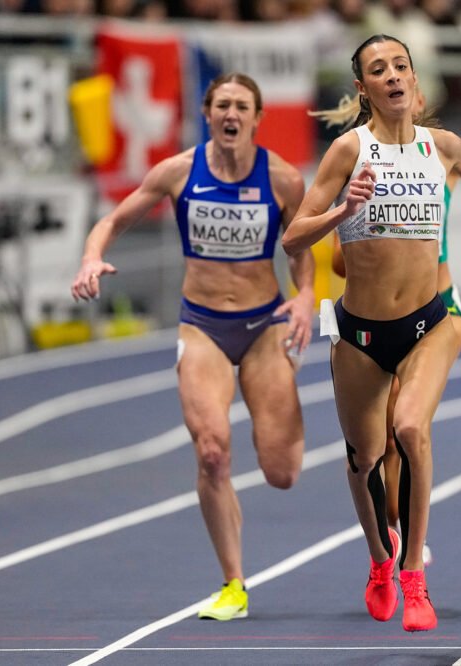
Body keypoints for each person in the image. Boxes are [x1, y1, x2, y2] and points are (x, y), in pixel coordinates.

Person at [70, 72, 315, 622]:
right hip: (202, 325)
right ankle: (234, 584)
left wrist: (306, 298)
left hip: (263, 326)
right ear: (208, 113)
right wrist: (91, 257)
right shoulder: (178, 172)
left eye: (242, 106)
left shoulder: (281, 179)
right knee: (211, 451)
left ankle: (275, 405)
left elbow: (299, 249)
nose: (232, 114)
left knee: (282, 471)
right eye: (222, 104)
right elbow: (112, 219)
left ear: (257, 118)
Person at [281, 34, 461, 632]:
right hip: (358, 335)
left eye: (401, 65)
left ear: (413, 76)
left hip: (427, 322)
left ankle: (413, 575)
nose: (394, 76)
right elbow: (293, 238)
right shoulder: (347, 151)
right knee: (363, 459)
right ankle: (379, 560)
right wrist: (339, 212)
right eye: (380, 70)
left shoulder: (443, 146)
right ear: (363, 89)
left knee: (410, 430)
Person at [328, 135, 461, 567]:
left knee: (407, 424)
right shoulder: (362, 170)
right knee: (378, 442)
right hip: (375, 317)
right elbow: (338, 263)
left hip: (439, 307)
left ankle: (410, 548)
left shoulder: (442, 157)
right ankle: (392, 533)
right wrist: (370, 237)